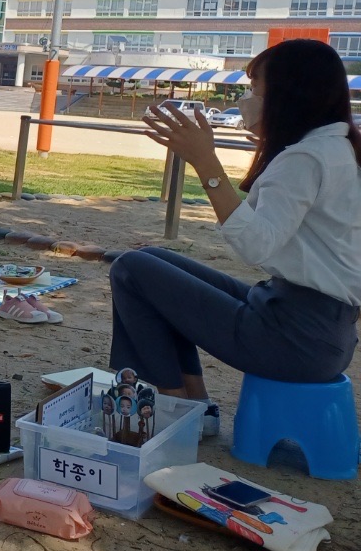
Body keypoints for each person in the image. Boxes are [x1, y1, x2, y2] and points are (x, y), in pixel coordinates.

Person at [110, 38, 361, 437]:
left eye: (253, 88)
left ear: (285, 93)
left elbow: (256, 244)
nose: (246, 98)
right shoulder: (336, 146)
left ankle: (175, 408)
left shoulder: (307, 158)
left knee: (131, 269)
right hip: (315, 326)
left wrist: (206, 163)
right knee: (155, 262)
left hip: (295, 337)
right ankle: (194, 405)